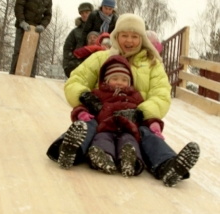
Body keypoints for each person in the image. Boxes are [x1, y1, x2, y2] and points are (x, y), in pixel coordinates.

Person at [49, 13, 200, 188]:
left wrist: (141, 113)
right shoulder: (101, 58)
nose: (129, 41)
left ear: (142, 38)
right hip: (103, 115)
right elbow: (75, 81)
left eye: (134, 36)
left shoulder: (152, 64)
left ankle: (169, 166)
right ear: (116, 36)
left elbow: (161, 94)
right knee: (88, 125)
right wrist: (86, 97)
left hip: (134, 120)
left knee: (148, 135)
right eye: (124, 35)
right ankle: (67, 150)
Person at [70, 55, 146, 177]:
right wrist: (81, 112)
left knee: (129, 142)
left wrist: (153, 122)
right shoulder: (99, 93)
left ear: (130, 82)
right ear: (106, 80)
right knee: (102, 140)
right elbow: (84, 106)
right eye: (115, 78)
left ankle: (129, 161)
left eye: (124, 80)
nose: (119, 83)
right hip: (105, 127)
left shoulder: (135, 96)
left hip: (128, 129)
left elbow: (144, 111)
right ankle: (104, 158)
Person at [9, 0, 52, 77]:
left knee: (33, 54)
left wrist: (43, 25)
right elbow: (19, 6)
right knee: (18, 51)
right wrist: (21, 21)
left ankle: (31, 76)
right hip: (22, 27)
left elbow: (48, 15)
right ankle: (13, 74)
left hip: (35, 29)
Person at [63, 2, 94, 78]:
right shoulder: (75, 32)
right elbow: (67, 48)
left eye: (87, 12)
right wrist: (67, 65)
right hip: (78, 63)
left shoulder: (98, 29)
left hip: (94, 62)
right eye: (82, 13)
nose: (84, 15)